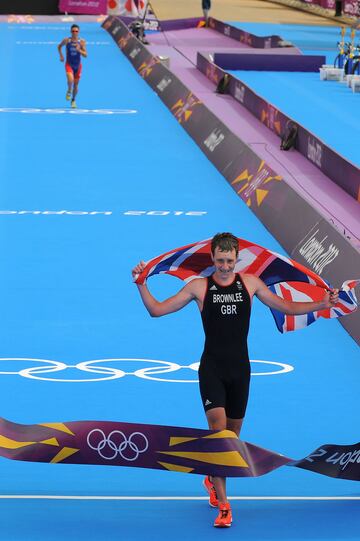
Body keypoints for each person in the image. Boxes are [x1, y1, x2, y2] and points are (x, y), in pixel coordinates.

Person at [131, 232, 339, 528]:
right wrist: (141, 284)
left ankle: (211, 478)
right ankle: (225, 505)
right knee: (220, 437)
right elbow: (157, 310)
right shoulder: (199, 287)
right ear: (212, 259)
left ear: (236, 258)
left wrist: (322, 305)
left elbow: (287, 308)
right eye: (220, 261)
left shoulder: (251, 284)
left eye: (230, 261)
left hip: (241, 372)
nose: (225, 266)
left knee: (232, 440)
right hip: (212, 370)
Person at [57, 24, 87, 109]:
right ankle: (69, 90)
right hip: (69, 64)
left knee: (76, 85)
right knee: (70, 80)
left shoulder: (82, 42)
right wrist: (61, 56)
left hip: (78, 66)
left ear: (78, 32)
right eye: (73, 31)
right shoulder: (67, 40)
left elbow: (86, 55)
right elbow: (59, 46)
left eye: (76, 31)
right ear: (71, 32)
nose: (74, 33)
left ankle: (73, 100)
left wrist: (79, 50)